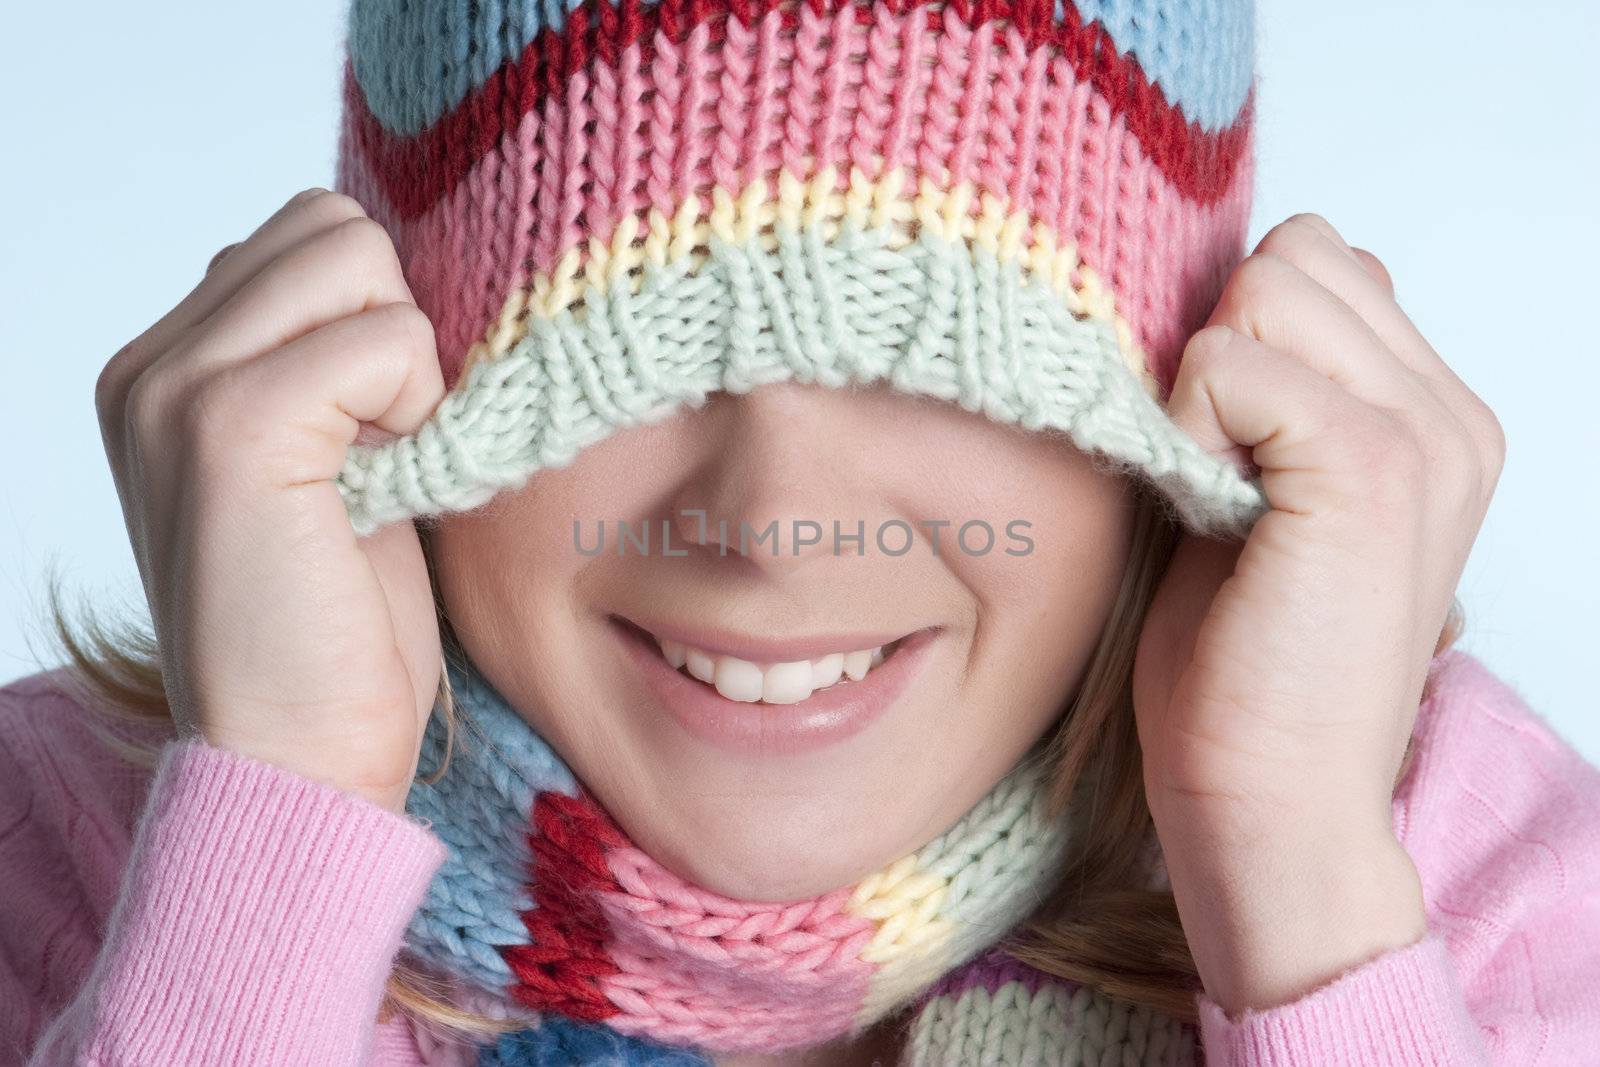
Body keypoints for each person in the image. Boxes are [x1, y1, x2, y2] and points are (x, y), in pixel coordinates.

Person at [3, 0, 1597, 1064]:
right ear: (386, 368)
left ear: (1176, 405)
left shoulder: (1459, 871)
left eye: (941, 358)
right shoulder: (58, 843)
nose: (774, 525)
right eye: (617, 359)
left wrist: (1301, 890)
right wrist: (267, 826)